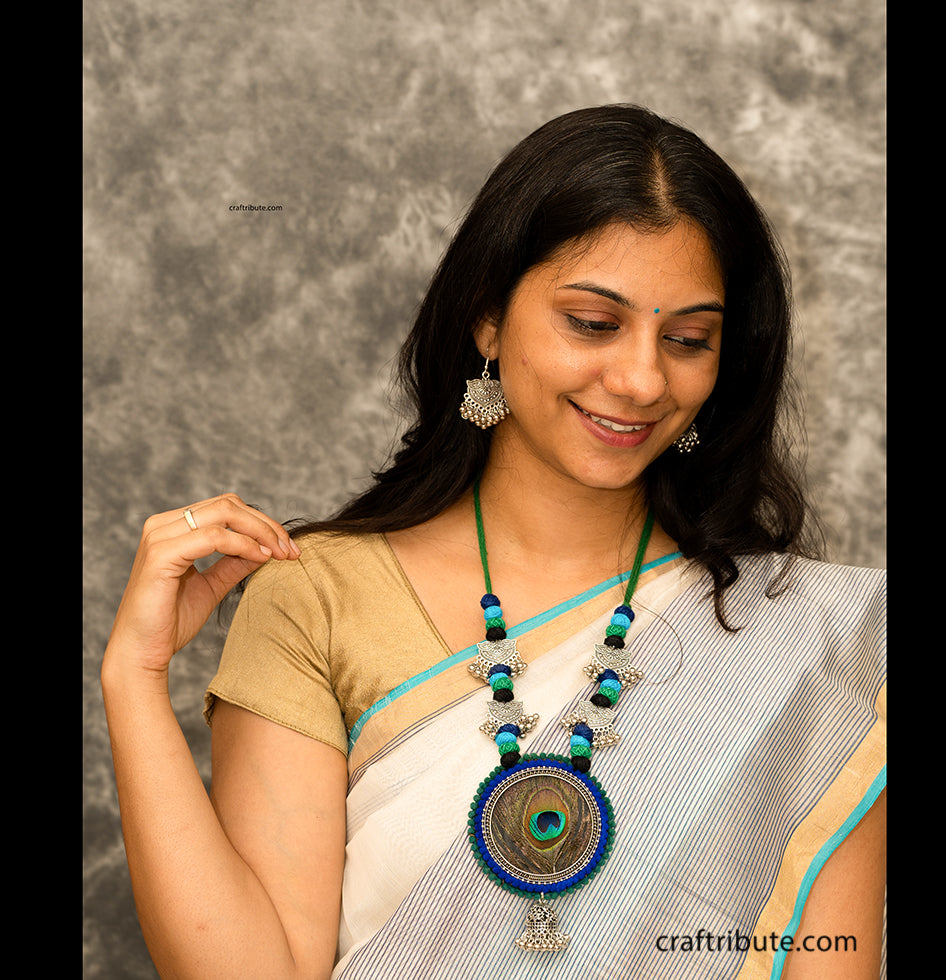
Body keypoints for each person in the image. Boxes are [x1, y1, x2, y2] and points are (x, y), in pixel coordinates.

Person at [102, 105, 886, 980]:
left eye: (687, 339)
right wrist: (133, 678)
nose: (641, 379)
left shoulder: (811, 645)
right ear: (487, 318)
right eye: (593, 323)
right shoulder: (318, 596)